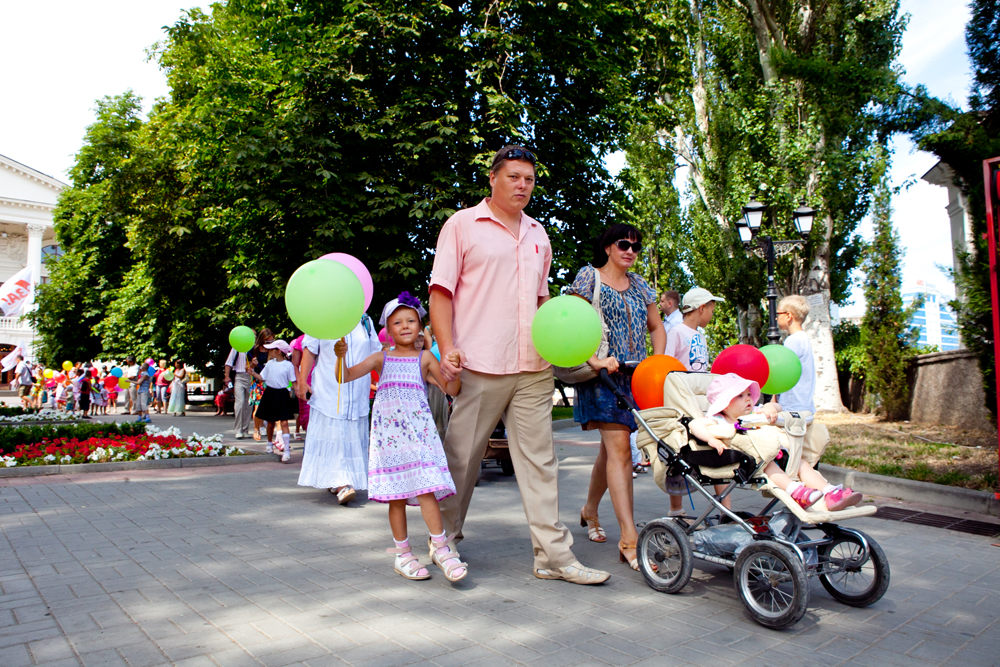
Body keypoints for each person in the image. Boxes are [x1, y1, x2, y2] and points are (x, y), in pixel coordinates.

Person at [430, 145, 609, 585]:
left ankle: (554, 557)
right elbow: (441, 292)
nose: (522, 186)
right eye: (513, 177)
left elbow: (543, 300)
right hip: (479, 363)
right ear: (493, 178)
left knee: (541, 463)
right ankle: (443, 538)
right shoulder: (462, 225)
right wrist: (447, 347)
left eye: (528, 179)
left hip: (533, 366)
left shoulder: (538, 234)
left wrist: (573, 346)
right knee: (461, 458)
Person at [335, 293, 467, 581]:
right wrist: (340, 356)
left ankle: (441, 547)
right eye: (397, 322)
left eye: (411, 321)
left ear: (420, 326)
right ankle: (403, 554)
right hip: (389, 440)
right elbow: (344, 376)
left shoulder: (426, 359)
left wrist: (454, 370)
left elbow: (452, 389)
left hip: (419, 435)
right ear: (388, 329)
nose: (405, 326)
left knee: (426, 488)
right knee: (397, 498)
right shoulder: (380, 358)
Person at [568, 224, 665, 571]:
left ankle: (590, 510)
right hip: (601, 377)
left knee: (612, 450)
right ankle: (629, 539)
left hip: (635, 375)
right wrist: (593, 360)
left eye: (636, 247)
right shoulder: (588, 277)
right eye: (624, 244)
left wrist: (658, 362)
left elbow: (656, 326)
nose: (631, 251)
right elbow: (570, 323)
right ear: (608, 247)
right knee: (621, 449)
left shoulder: (640, 285)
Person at [689, 373, 862, 511]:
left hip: (777, 454)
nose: (748, 399)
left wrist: (769, 409)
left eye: (749, 394)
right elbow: (695, 424)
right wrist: (710, 438)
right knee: (769, 464)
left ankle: (830, 492)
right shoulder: (719, 420)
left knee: (801, 463)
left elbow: (778, 408)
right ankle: (796, 491)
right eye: (741, 396)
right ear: (724, 405)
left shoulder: (754, 413)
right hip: (753, 463)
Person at [296, 314, 380, 504]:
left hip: (357, 391)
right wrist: (302, 381)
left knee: (348, 435)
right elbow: (309, 350)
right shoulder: (322, 316)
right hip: (329, 390)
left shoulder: (365, 321)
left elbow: (375, 354)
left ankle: (338, 480)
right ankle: (342, 482)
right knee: (335, 435)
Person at [664, 287, 726, 512]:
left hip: (702, 402)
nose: (712, 314)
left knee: (716, 447)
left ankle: (725, 509)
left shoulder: (700, 335)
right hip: (682, 402)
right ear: (701, 308)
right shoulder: (676, 332)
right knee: (680, 453)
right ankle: (676, 509)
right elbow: (667, 367)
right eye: (711, 309)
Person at [250, 340, 297, 463]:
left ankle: (286, 450)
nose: (269, 352)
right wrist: (252, 372)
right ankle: (269, 444)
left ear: (279, 351)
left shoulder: (288, 365)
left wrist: (297, 391)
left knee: (284, 422)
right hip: (270, 393)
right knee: (270, 422)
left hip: (282, 394)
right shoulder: (270, 364)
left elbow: (293, 381)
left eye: (272, 349)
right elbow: (262, 377)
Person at [224, 331, 255, 439]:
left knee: (249, 404)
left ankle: (245, 429)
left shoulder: (254, 349)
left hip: (251, 377)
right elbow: (229, 363)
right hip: (239, 376)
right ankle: (238, 429)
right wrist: (227, 376)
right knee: (240, 402)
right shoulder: (237, 347)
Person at [248, 329, 275, 440]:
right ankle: (256, 429)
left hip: (271, 381)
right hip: (259, 381)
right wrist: (253, 364)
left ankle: (269, 429)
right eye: (267, 342)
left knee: (271, 407)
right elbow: (248, 369)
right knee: (258, 407)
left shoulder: (274, 350)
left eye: (272, 341)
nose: (269, 344)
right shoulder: (254, 350)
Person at [290, 335, 310, 440]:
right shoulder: (301, 340)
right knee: (307, 416)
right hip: (306, 382)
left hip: (323, 382)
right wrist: (298, 384)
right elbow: (294, 365)